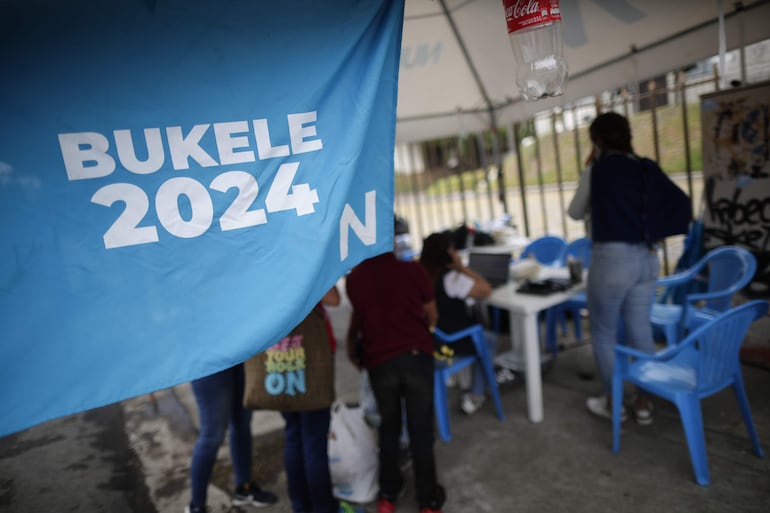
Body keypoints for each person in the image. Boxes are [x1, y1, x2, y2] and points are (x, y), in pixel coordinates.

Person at [574, 111, 689, 427]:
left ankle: (614, 402)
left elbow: (574, 212)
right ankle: (643, 401)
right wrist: (655, 230)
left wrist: (592, 168)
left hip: (611, 261)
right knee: (640, 329)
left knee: (603, 333)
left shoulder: (596, 172)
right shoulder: (644, 167)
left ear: (596, 140)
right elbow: (682, 204)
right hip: (646, 258)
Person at [346, 249, 446, 513]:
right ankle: (429, 503)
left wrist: (352, 347)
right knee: (421, 429)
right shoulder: (414, 271)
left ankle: (388, 496)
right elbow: (431, 314)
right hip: (416, 356)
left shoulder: (355, 279)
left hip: (380, 363)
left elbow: (359, 318)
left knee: (388, 429)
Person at [280, 285, 365, 513]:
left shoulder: (258, 259)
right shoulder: (303, 256)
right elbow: (334, 298)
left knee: (293, 434)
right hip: (312, 356)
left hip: (279, 359)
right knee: (314, 440)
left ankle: (300, 506)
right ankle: (324, 508)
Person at [418, 231, 496, 415]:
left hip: (429, 341)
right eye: (452, 249)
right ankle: (476, 395)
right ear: (447, 253)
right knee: (489, 340)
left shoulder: (420, 276)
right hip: (448, 346)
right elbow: (486, 290)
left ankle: (455, 378)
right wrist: (462, 268)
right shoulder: (452, 278)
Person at [186, 366, 278, 512]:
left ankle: (244, 488)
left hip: (238, 357)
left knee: (242, 423)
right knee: (212, 435)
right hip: (207, 364)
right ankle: (196, 505)